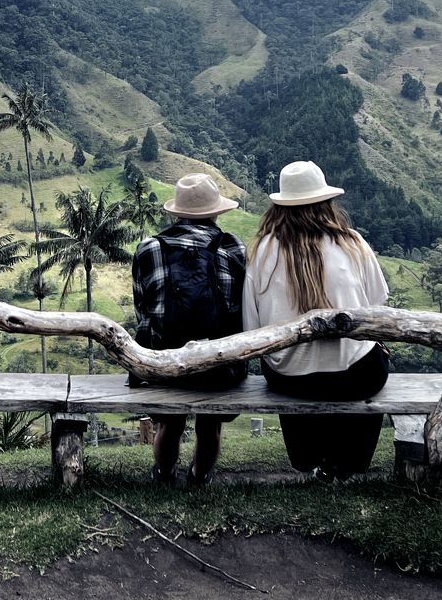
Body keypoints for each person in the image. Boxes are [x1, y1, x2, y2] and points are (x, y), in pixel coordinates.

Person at [243, 161, 390, 481]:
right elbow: (377, 307)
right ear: (326, 202)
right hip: (354, 376)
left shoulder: (262, 251)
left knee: (295, 367)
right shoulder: (352, 243)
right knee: (369, 358)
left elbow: (252, 328)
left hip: (288, 378)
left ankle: (309, 457)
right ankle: (347, 461)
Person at [131, 173, 247, 486]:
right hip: (220, 367)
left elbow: (143, 311)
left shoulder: (149, 248)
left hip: (164, 365)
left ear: (177, 212)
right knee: (211, 425)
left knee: (169, 424)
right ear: (215, 212)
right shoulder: (232, 247)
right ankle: (199, 476)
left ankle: (165, 474)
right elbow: (241, 310)